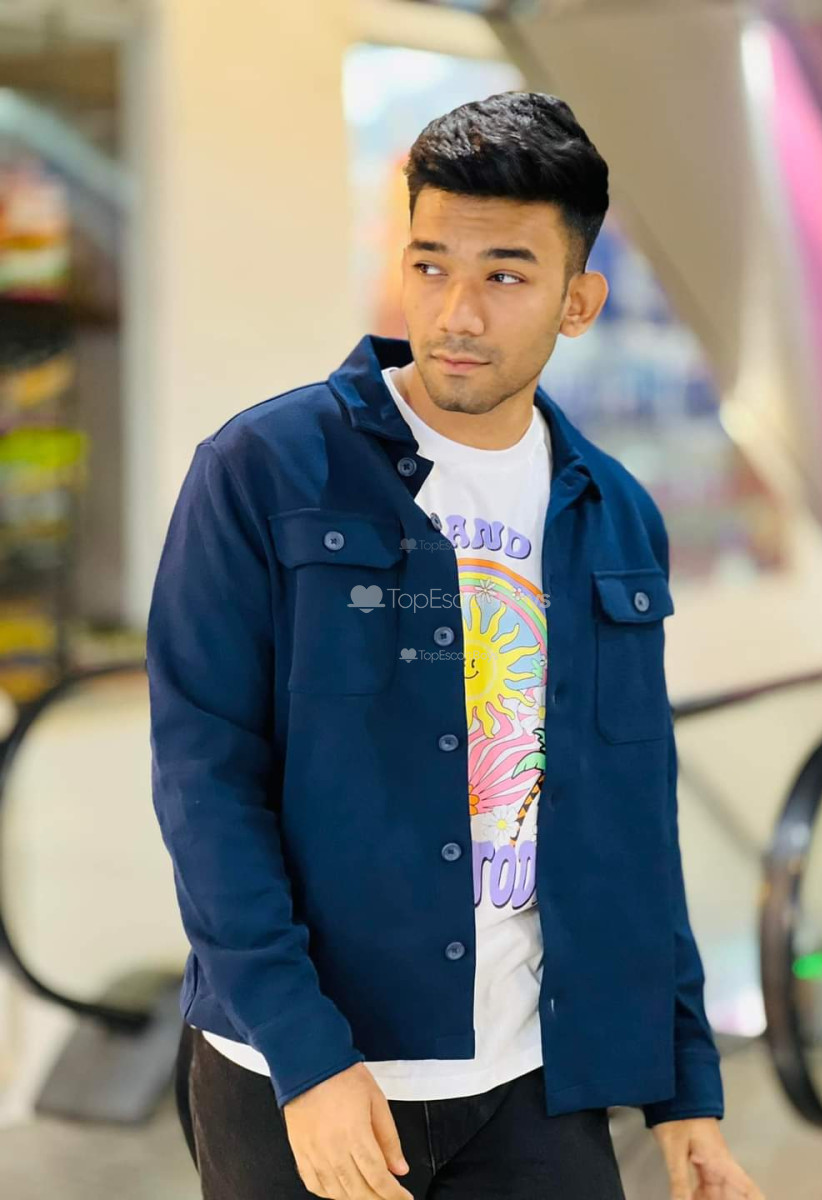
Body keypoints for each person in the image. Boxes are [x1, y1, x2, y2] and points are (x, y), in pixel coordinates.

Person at [148, 91, 765, 1200]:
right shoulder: (262, 470)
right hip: (304, 1076)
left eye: (505, 276)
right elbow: (208, 787)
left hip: (534, 1078)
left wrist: (685, 1090)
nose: (457, 313)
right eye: (430, 266)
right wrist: (307, 1056)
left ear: (579, 301)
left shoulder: (615, 513)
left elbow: (631, 815)